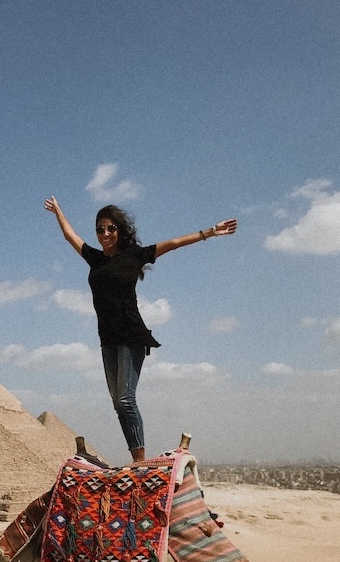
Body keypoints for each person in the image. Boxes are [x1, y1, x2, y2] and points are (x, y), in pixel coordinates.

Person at [44, 196, 237, 462]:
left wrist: (210, 232)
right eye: (100, 229)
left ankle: (139, 460)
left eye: (110, 228)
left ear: (119, 231)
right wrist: (58, 211)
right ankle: (136, 455)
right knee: (117, 401)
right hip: (107, 338)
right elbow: (69, 235)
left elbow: (173, 244)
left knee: (125, 398)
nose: (105, 234)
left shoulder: (134, 256)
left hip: (131, 334)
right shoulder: (95, 259)